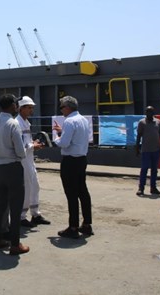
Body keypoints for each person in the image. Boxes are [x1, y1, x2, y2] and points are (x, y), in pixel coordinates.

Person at [0, 93, 29, 255]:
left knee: (0, 204)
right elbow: (20, 151)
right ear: (12, 106)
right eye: (16, 104)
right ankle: (15, 244)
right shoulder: (13, 123)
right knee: (15, 207)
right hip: (13, 168)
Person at [53, 96, 93, 239]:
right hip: (81, 159)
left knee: (71, 194)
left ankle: (73, 227)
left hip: (70, 161)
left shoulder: (69, 121)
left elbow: (64, 143)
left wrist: (56, 138)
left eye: (62, 107)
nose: (61, 110)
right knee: (83, 192)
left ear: (68, 107)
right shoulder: (83, 120)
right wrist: (62, 131)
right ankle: (87, 224)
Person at [15, 96, 50, 228]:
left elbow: (26, 142)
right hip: (23, 161)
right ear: (21, 108)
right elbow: (18, 146)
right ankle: (21, 217)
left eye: (32, 108)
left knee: (35, 186)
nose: (31, 110)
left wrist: (33, 143)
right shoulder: (17, 123)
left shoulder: (26, 122)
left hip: (29, 160)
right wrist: (32, 146)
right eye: (29, 108)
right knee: (27, 188)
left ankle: (35, 214)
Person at [135, 106, 160, 196]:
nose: (149, 113)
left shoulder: (158, 122)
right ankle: (141, 188)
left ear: (153, 113)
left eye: (150, 111)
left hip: (156, 149)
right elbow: (139, 136)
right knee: (144, 169)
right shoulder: (142, 122)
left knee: (154, 170)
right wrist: (137, 148)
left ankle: (153, 187)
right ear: (145, 113)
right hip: (146, 150)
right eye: (147, 111)